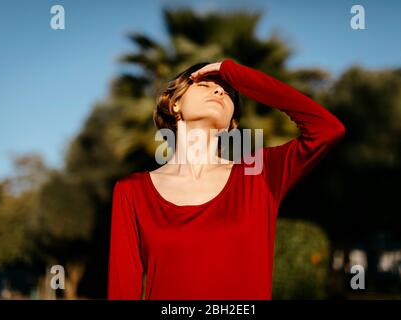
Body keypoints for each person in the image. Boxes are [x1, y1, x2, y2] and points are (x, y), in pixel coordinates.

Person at [107, 58, 345, 300]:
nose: (219, 90)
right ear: (175, 103)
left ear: (232, 124)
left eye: (227, 91)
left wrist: (235, 73)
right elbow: (122, 290)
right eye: (204, 85)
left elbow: (326, 129)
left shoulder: (259, 175)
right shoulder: (132, 190)